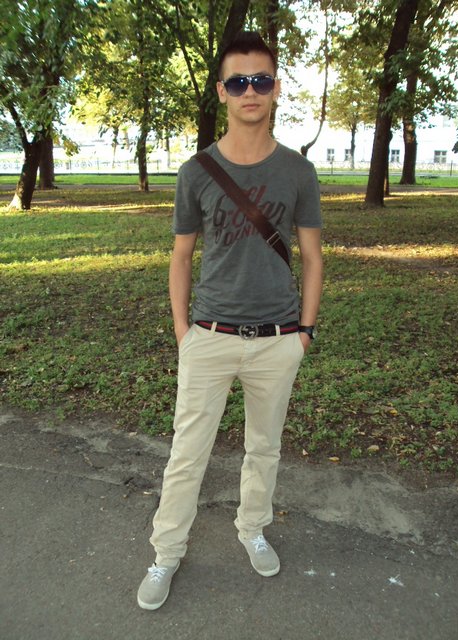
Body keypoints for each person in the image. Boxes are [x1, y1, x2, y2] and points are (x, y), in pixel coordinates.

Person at [137, 30, 323, 610]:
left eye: (260, 80)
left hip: (278, 340)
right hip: (210, 337)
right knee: (186, 454)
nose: (250, 91)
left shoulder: (297, 171)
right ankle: (166, 553)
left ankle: (252, 528)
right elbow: (181, 256)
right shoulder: (196, 172)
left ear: (275, 88)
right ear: (222, 91)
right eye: (238, 81)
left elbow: (313, 257)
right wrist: (183, 332)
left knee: (264, 448)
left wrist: (304, 333)